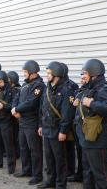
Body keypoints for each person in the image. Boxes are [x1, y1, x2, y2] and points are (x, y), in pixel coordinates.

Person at [75, 59, 107, 189]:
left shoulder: (104, 88)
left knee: (99, 172)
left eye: (85, 73)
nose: (83, 75)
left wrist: (91, 103)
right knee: (87, 171)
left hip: (97, 136)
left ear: (94, 73)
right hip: (87, 136)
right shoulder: (90, 87)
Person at [37, 61, 75, 189]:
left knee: (60, 159)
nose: (47, 75)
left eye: (49, 73)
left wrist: (63, 131)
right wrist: (41, 125)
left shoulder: (66, 90)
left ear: (57, 74)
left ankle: (60, 184)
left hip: (58, 130)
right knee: (49, 158)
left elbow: (67, 113)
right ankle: (50, 181)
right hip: (47, 129)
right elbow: (42, 108)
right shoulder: (48, 88)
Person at [11, 60, 45, 185]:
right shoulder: (25, 85)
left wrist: (18, 109)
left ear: (32, 72)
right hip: (23, 121)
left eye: (25, 72)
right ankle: (26, 170)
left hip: (32, 122)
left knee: (35, 150)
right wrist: (14, 109)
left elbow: (31, 102)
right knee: (23, 147)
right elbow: (16, 98)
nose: (24, 74)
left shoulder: (38, 85)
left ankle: (37, 174)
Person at [68, 72, 88, 183]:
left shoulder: (89, 91)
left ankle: (83, 175)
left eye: (83, 79)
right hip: (77, 124)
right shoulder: (80, 91)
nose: (81, 81)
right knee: (80, 152)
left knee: (84, 153)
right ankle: (80, 174)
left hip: (84, 126)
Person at [60, 62, 78, 178]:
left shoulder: (70, 85)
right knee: (61, 147)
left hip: (69, 120)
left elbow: (69, 106)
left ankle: (70, 169)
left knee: (69, 146)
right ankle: (62, 166)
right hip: (59, 120)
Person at [7, 71, 21, 159]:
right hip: (9, 115)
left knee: (15, 136)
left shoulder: (17, 89)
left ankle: (16, 153)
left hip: (15, 117)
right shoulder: (8, 89)